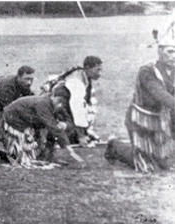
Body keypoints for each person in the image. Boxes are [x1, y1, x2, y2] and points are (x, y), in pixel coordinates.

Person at [113, 30, 175, 172]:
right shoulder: (147, 71)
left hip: (163, 120)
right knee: (147, 165)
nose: (174, 56)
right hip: (141, 121)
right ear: (160, 51)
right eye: (170, 52)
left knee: (166, 164)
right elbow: (160, 95)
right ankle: (114, 146)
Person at [2, 94, 85, 168]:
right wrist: (70, 150)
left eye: (63, 103)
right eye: (59, 102)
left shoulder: (58, 105)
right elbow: (52, 126)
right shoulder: (43, 104)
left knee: (46, 132)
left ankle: (44, 155)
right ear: (53, 97)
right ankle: (18, 153)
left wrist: (65, 124)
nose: (60, 105)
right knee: (26, 154)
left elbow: (70, 121)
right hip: (14, 118)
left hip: (28, 121)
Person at [41, 56, 103, 147]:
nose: (100, 73)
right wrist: (81, 136)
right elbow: (78, 109)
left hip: (61, 108)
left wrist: (87, 131)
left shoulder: (83, 77)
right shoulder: (76, 81)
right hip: (55, 110)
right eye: (97, 70)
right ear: (87, 68)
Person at [0, 65, 36, 148]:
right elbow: (10, 110)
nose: (29, 82)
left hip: (8, 99)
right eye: (27, 79)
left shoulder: (25, 85)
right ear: (19, 77)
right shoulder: (7, 87)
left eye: (31, 79)